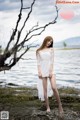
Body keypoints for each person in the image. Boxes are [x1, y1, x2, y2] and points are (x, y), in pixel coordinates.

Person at [36, 36, 64, 118]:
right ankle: (48, 107)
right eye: (48, 41)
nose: (49, 43)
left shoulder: (51, 50)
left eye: (51, 42)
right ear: (45, 40)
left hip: (51, 70)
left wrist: (51, 71)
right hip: (43, 70)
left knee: (54, 87)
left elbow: (52, 61)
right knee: (45, 90)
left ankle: (60, 106)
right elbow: (38, 62)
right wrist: (39, 72)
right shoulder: (38, 51)